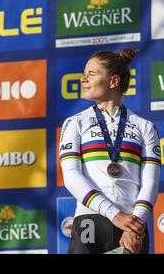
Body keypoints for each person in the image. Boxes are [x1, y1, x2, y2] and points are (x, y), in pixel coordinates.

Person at [59, 49, 161, 254]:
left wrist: (136, 225)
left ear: (113, 81)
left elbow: (150, 182)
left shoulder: (145, 127)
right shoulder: (74, 123)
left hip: (132, 226)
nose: (83, 79)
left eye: (91, 74)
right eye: (84, 73)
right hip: (90, 221)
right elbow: (71, 176)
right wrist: (114, 214)